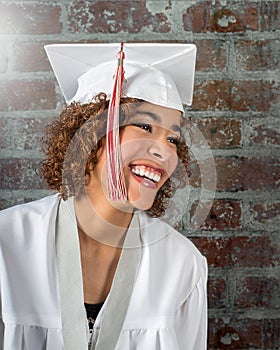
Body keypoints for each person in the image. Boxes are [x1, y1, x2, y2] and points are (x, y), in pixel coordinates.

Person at [0, 43, 207, 349]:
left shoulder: (181, 265)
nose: (163, 150)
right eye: (145, 125)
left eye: (173, 139)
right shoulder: (7, 245)